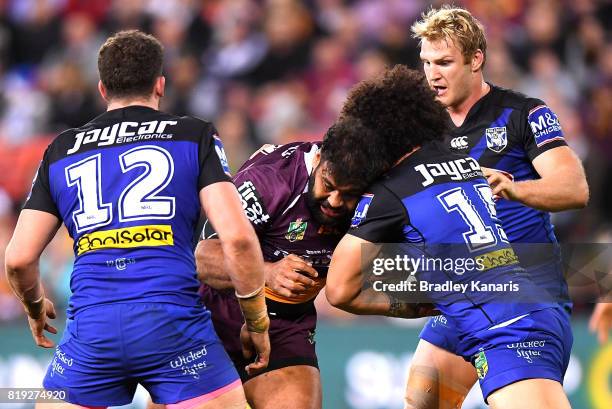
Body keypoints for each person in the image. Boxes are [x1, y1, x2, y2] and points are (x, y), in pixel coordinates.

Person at [4, 30, 270, 409]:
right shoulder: (194, 135)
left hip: (92, 331)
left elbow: (18, 258)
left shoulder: (60, 149)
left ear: (101, 88)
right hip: (174, 325)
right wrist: (256, 322)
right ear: (160, 84)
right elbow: (239, 240)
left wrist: (34, 305)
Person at [326, 65, 574, 409]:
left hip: (513, 329)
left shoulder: (389, 193)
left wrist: (419, 304)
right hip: (493, 310)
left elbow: (339, 290)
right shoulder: (465, 163)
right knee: (423, 402)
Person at [404, 6, 589, 408]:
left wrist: (514, 188)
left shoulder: (523, 113)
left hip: (525, 298)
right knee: (422, 402)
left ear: (476, 59)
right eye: (426, 63)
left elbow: (573, 187)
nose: (432, 74)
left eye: (445, 63)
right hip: (463, 297)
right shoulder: (418, 130)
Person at [190, 126, 389, 409]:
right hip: (214, 315)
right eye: (328, 186)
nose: (334, 202)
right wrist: (268, 272)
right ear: (318, 158)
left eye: (348, 195)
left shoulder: (380, 198)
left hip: (286, 325)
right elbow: (204, 257)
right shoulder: (270, 181)